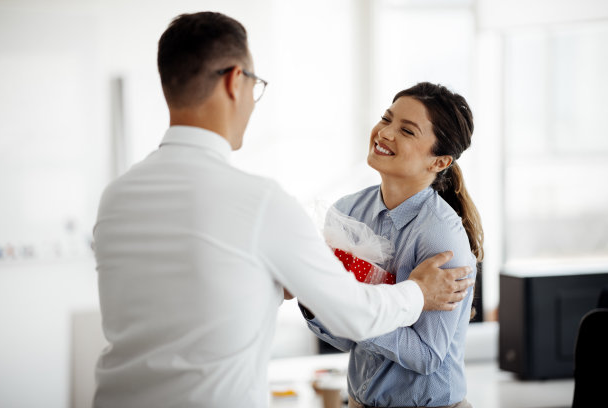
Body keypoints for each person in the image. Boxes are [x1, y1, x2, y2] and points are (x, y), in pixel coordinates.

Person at [92, 12, 475, 408]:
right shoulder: (260, 203)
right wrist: (417, 292)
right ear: (233, 81)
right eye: (255, 86)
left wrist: (288, 286)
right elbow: (353, 315)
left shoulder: (116, 197)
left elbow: (188, 297)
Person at [301, 82, 483, 408]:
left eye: (407, 131)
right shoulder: (346, 212)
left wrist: (354, 312)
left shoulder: (442, 238)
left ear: (439, 162)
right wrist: (312, 299)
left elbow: (427, 356)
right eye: (387, 118)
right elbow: (344, 340)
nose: (385, 133)